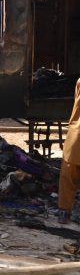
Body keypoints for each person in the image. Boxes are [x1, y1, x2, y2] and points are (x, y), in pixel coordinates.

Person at [59, 78, 80, 224]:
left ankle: (64, 211)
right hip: (77, 133)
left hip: (77, 133)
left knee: (68, 174)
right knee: (69, 172)